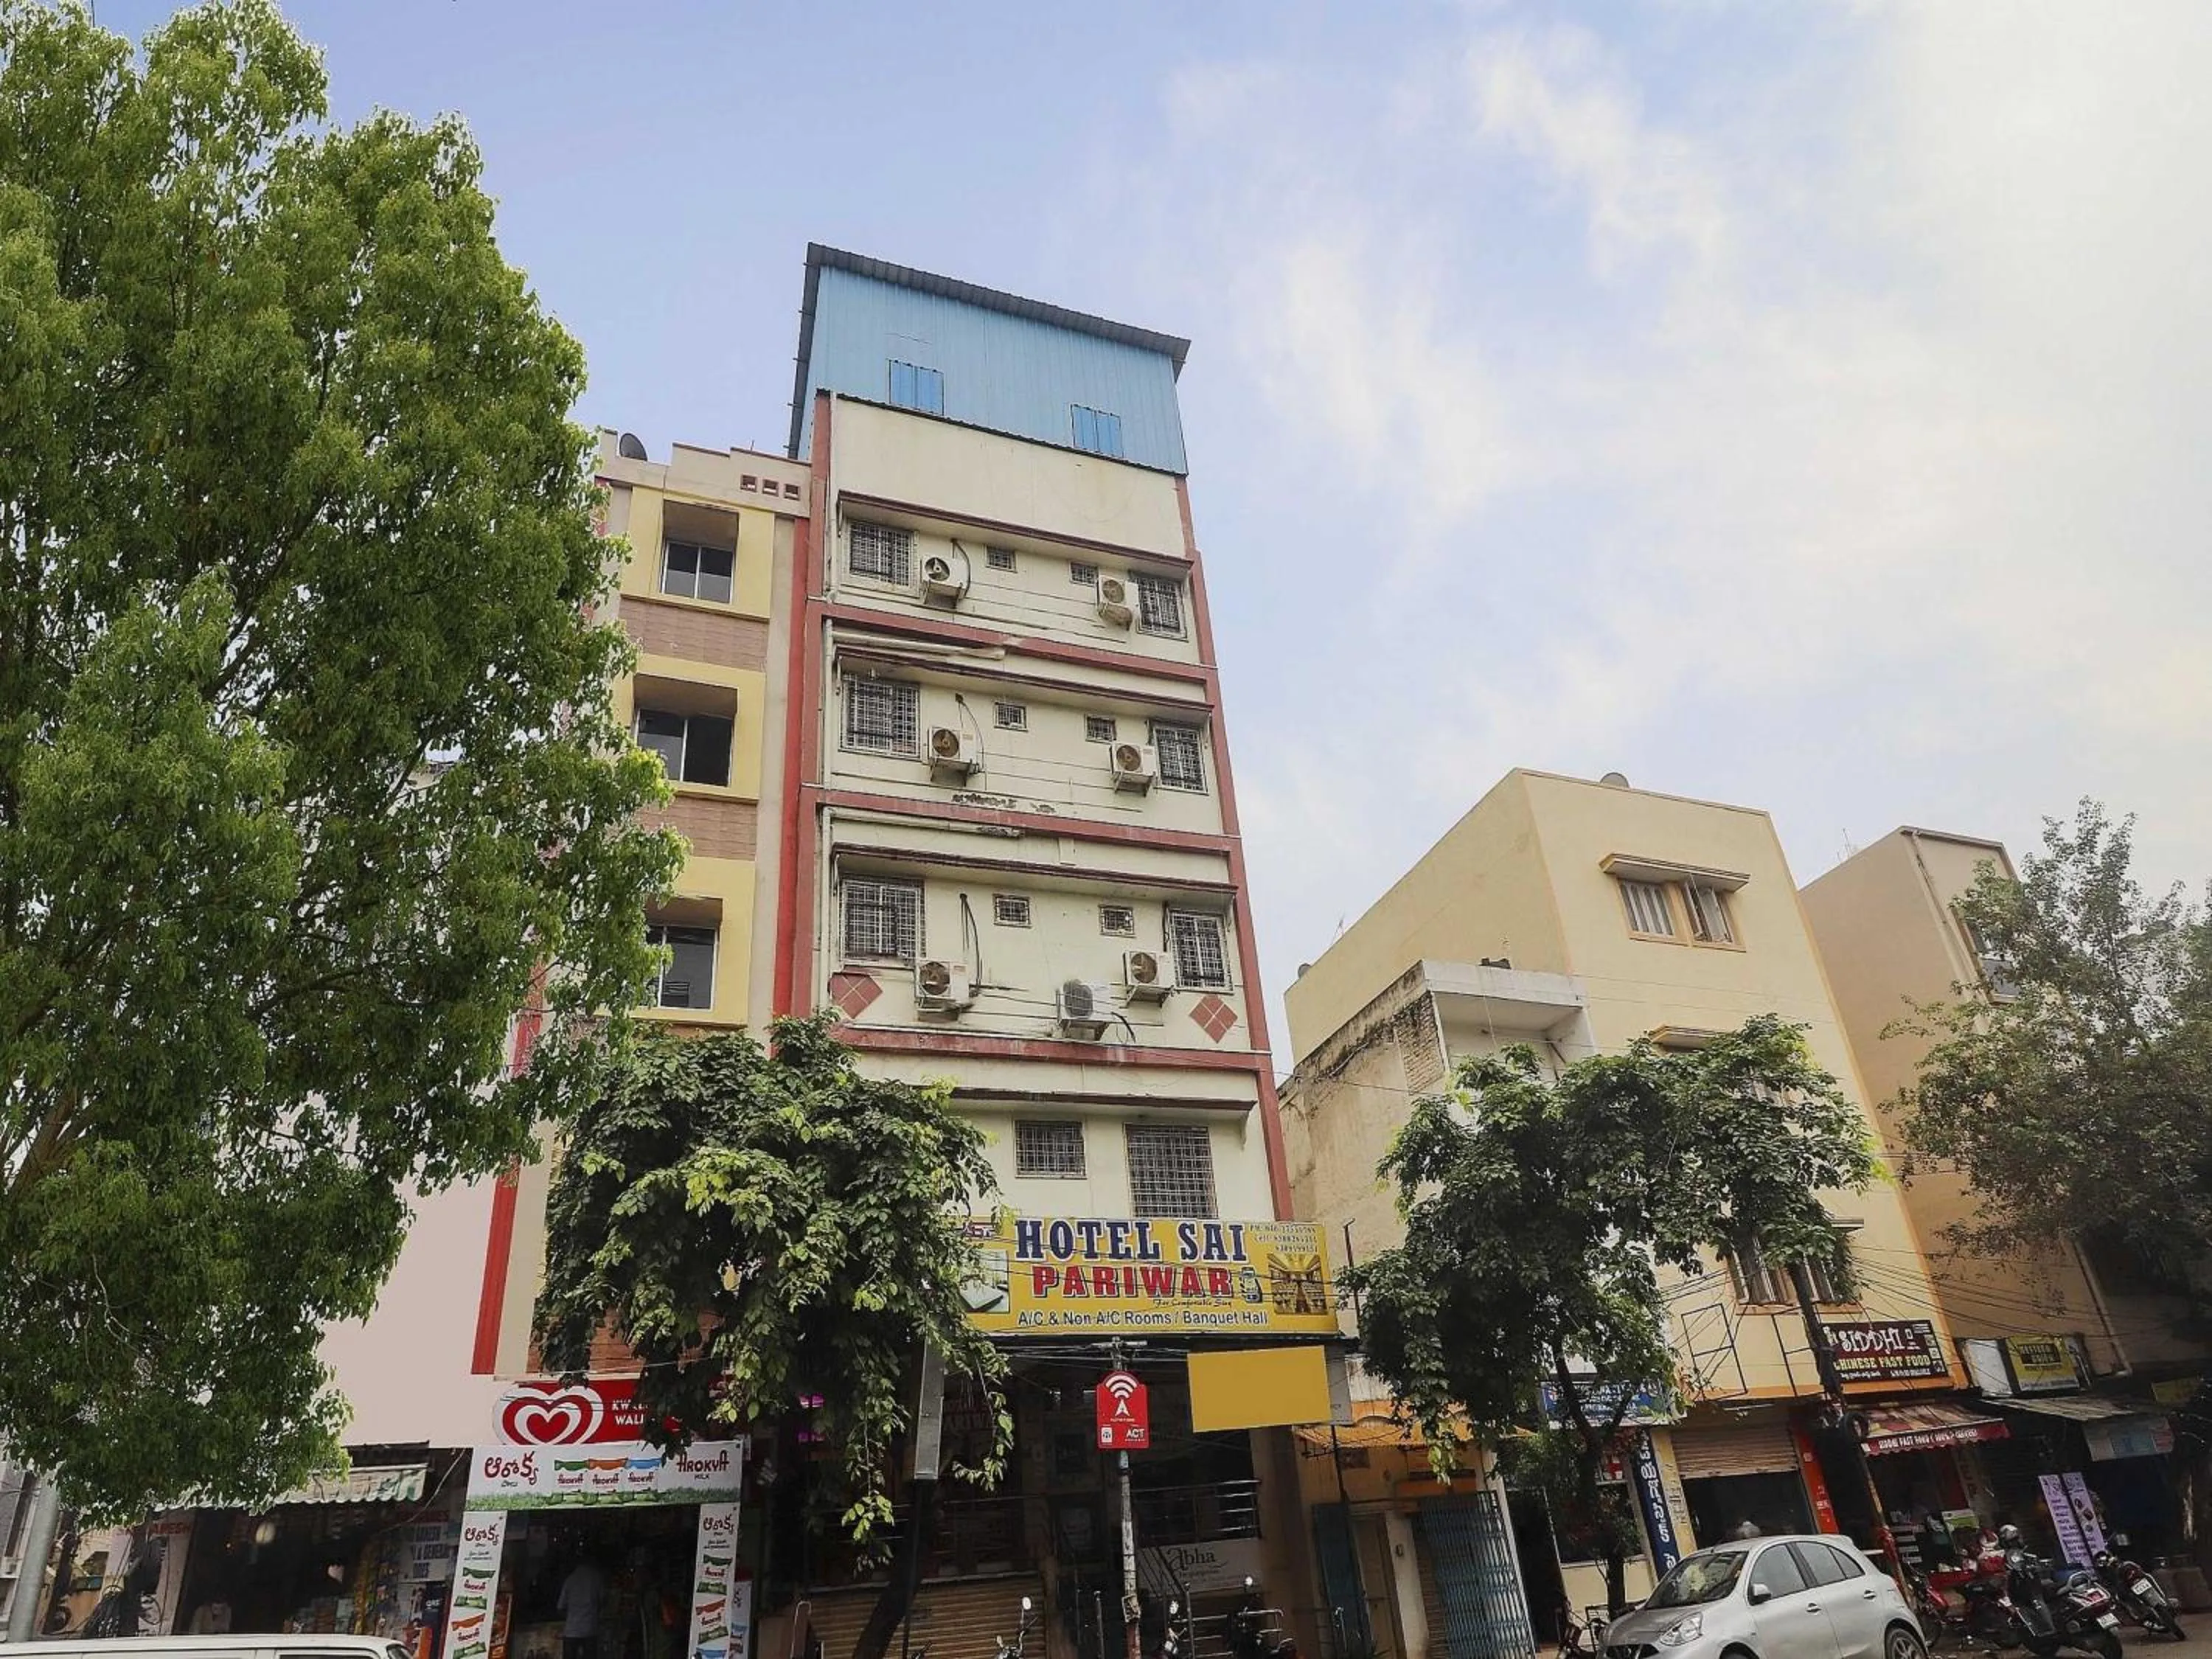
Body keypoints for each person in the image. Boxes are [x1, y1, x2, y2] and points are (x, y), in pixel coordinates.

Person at [558, 1555, 608, 1659]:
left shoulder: (570, 1580)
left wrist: (571, 1616)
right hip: (590, 1628)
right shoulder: (596, 1577)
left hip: (571, 1630)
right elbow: (603, 1600)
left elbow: (560, 1607)